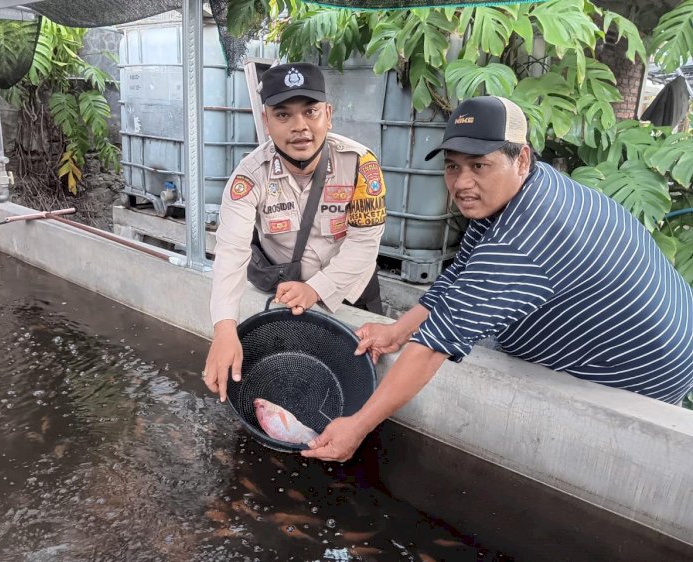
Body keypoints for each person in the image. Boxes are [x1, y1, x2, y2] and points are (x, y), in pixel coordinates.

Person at [301, 95, 693, 462]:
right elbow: (460, 275)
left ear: (521, 159)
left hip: (636, 374)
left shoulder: (525, 238)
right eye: (453, 166)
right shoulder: (520, 191)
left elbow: (434, 346)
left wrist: (357, 426)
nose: (462, 182)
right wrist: (398, 331)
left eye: (479, 165)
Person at [204, 62, 387, 402]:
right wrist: (224, 326)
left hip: (350, 291)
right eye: (284, 115)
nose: (300, 126)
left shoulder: (361, 165)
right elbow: (231, 252)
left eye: (311, 111)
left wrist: (316, 289)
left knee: (360, 386)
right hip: (288, 297)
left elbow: (364, 244)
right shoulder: (249, 177)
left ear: (328, 115)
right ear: (266, 121)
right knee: (293, 382)